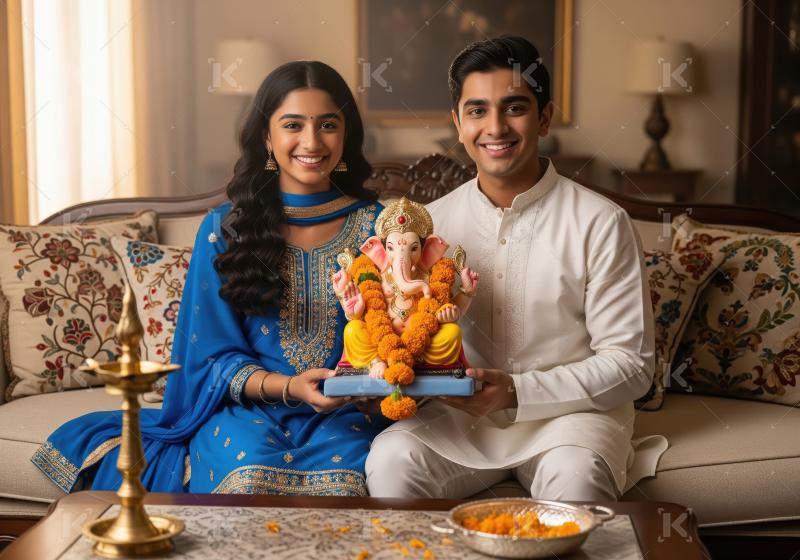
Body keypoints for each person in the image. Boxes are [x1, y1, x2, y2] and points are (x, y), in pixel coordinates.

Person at [32, 61, 389, 496]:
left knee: (344, 487)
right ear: (267, 137)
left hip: (346, 413)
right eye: (292, 125)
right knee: (250, 475)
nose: (311, 142)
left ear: (345, 133)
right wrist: (290, 387)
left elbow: (398, 335)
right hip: (251, 407)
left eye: (328, 125)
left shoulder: (380, 228)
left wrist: (377, 385)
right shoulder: (227, 228)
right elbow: (211, 357)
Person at [365, 36, 668, 501]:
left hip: (571, 420)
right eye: (477, 111)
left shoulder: (600, 222)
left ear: (544, 117)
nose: (495, 127)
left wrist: (517, 391)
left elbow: (630, 367)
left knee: (577, 475)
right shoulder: (432, 224)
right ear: (458, 124)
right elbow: (405, 323)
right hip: (459, 418)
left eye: (514, 108)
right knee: (389, 461)